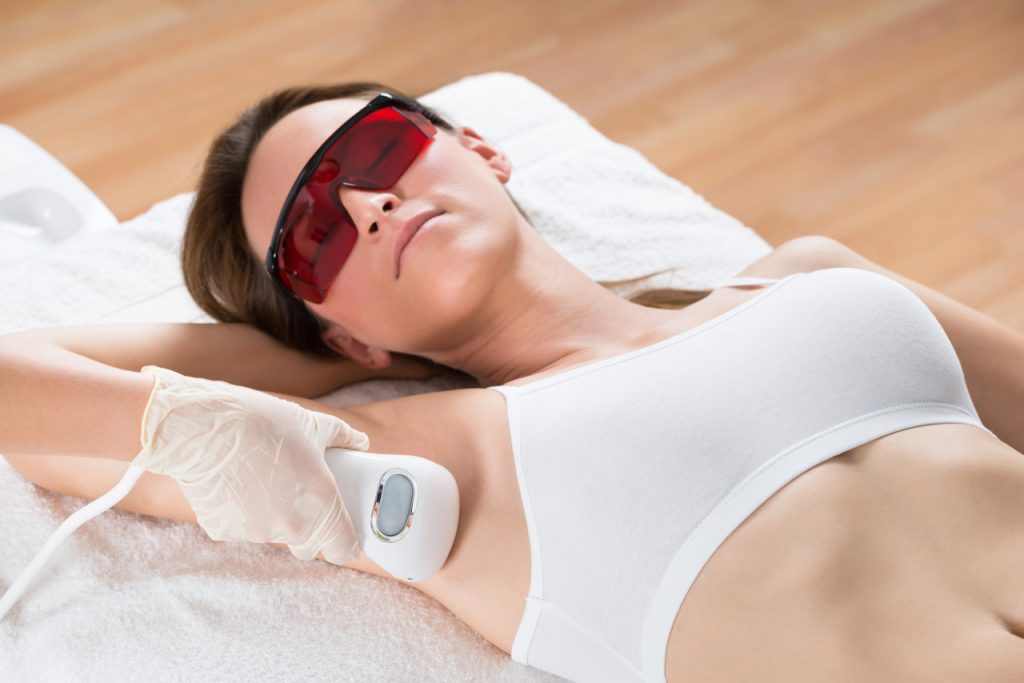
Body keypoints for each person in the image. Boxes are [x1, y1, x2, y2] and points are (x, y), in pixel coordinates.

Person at [2, 80, 1023, 682]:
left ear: (480, 149)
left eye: (378, 151)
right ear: (338, 334)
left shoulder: (813, 281)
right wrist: (327, 348)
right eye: (314, 237)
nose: (367, 206)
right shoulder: (446, 466)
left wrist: (343, 299)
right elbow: (23, 391)